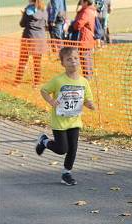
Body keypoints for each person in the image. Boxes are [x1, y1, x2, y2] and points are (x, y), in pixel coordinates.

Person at [36, 47, 95, 185]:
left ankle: (66, 174)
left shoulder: (83, 82)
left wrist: (90, 105)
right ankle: (44, 141)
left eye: (75, 58)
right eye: (69, 59)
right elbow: (44, 90)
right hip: (60, 122)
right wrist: (51, 101)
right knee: (62, 149)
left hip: (74, 121)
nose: (73, 61)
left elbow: (86, 99)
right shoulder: (58, 81)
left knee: (73, 149)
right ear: (62, 63)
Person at [15, 0, 48, 86]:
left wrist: (23, 15)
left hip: (28, 39)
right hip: (40, 39)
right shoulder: (44, 9)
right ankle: (36, 83)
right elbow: (45, 24)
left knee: (22, 61)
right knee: (37, 63)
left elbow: (22, 24)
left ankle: (17, 82)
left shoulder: (28, 9)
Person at [73, 0, 97, 79]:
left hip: (85, 38)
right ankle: (89, 76)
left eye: (82, 2)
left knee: (85, 58)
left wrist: (74, 24)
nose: (81, 3)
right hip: (87, 38)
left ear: (86, 2)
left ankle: (88, 77)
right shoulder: (90, 10)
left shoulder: (87, 12)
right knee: (87, 58)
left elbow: (79, 24)